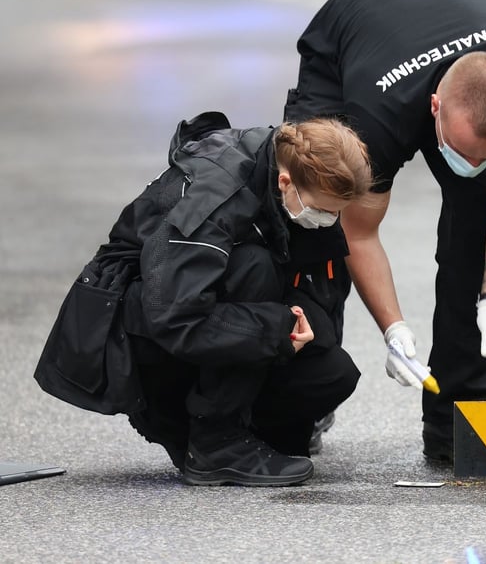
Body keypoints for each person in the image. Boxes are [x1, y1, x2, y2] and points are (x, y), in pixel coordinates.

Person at [283, 0, 486, 463]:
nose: (472, 167)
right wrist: (394, 328)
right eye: (462, 152)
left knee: (480, 227)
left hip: (445, 24)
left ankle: (457, 425)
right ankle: (304, 398)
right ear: (434, 109)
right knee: (313, 216)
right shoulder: (376, 121)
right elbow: (358, 232)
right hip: (357, 31)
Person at [35, 112, 374, 486]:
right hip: (135, 334)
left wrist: (299, 326)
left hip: (199, 321)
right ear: (285, 182)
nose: (328, 218)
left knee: (333, 372)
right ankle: (216, 443)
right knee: (253, 266)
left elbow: (320, 297)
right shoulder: (217, 195)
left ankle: (244, 435)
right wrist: (275, 331)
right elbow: (174, 316)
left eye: (336, 212)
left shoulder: (299, 183)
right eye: (324, 210)